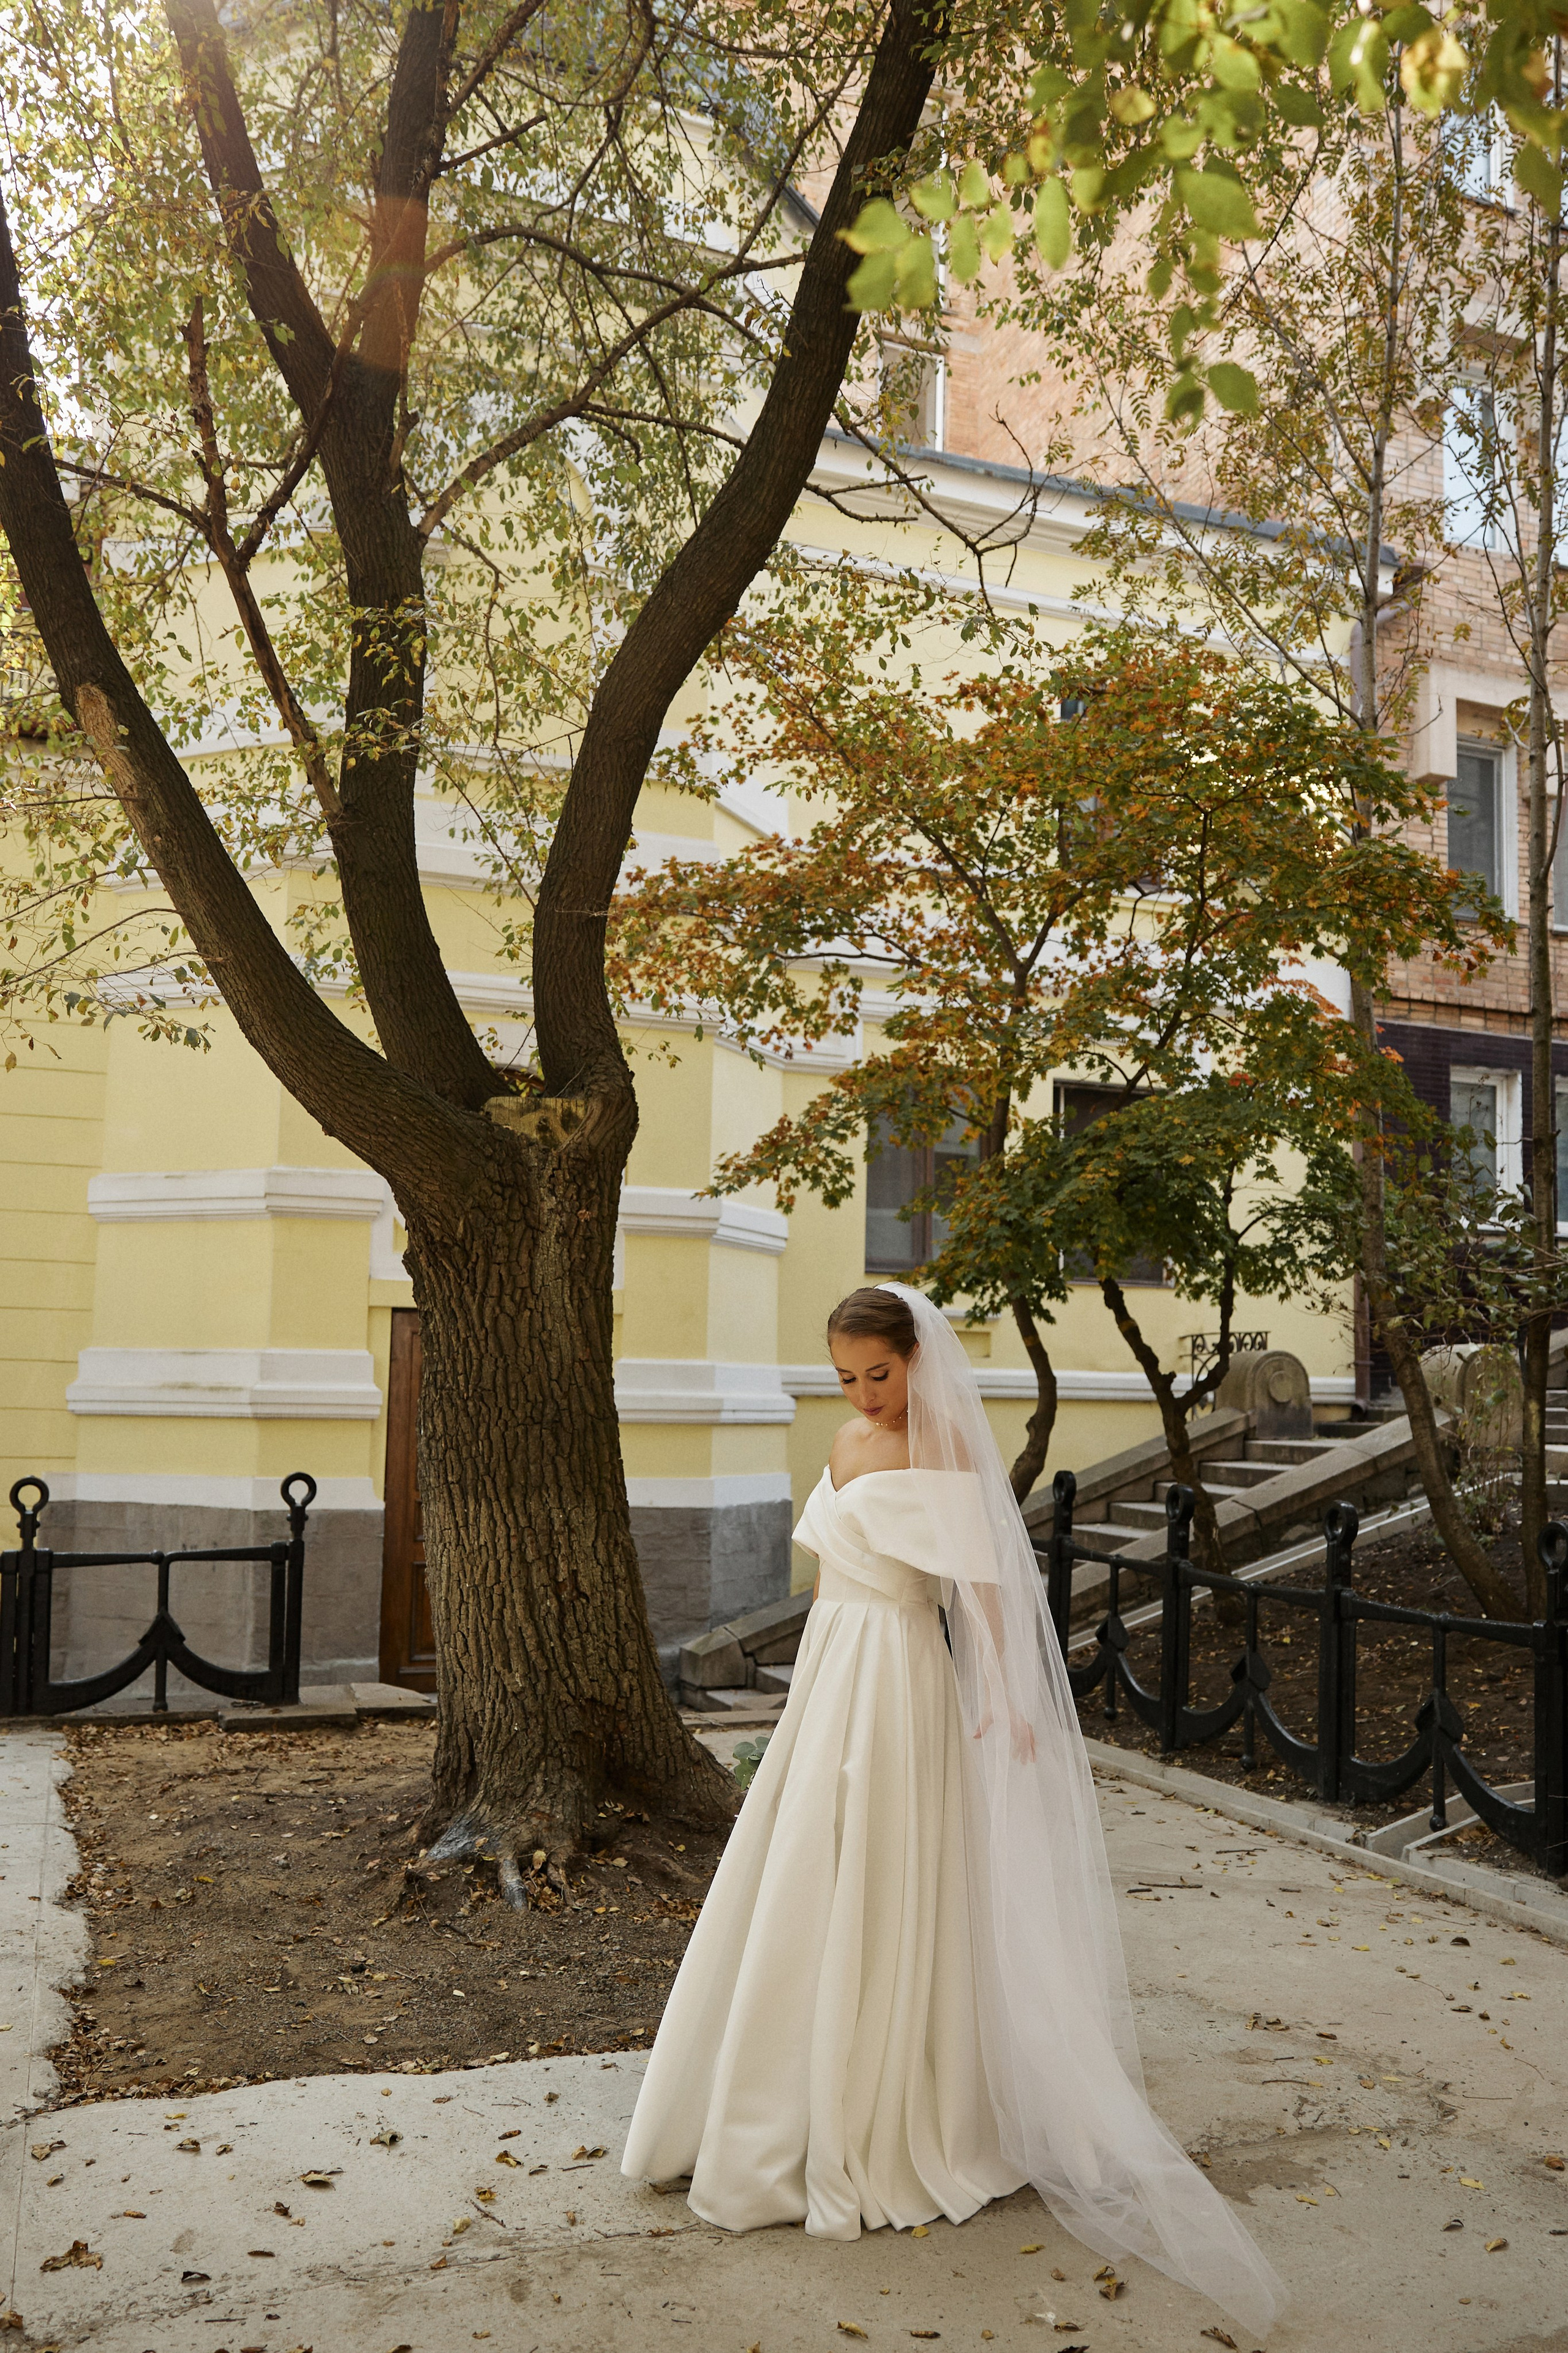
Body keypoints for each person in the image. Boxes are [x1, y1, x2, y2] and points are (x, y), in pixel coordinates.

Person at [622, 1282, 1282, 2339]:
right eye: (846, 1377)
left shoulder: (946, 1451)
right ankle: (760, 2109)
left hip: (899, 1676)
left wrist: (1013, 1698)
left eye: (879, 1373)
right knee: (801, 1863)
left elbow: (984, 1587)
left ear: (919, 1359)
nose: (864, 1393)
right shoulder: (844, 1438)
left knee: (893, 1869)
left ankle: (887, 2111)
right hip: (833, 1666)